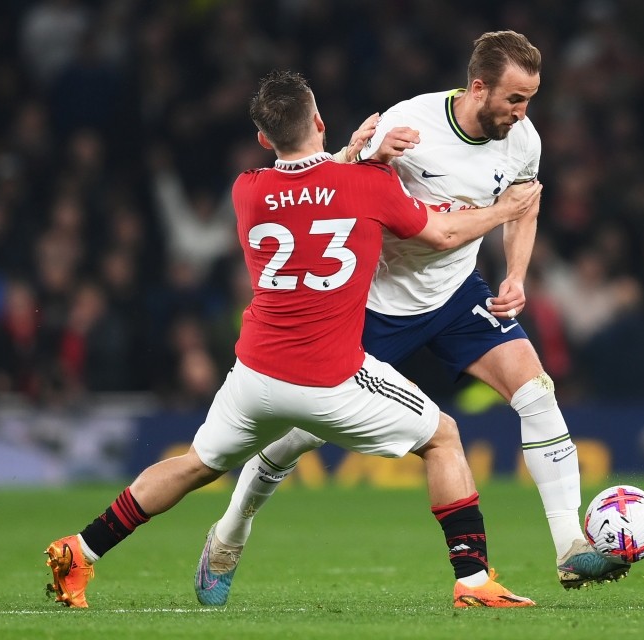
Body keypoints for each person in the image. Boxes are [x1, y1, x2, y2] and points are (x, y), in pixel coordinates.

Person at [44, 70, 541, 609]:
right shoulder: (366, 185)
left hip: (254, 374)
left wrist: (358, 151)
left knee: (195, 465)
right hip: (331, 377)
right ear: (321, 122)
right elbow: (443, 233)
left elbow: (311, 190)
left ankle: (81, 549)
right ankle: (472, 582)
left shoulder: (247, 190)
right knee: (442, 437)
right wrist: (503, 211)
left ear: (263, 139)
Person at [198, 30, 629, 607]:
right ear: (479, 87)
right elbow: (334, 178)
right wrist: (363, 151)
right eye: (515, 99)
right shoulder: (411, 122)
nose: (524, 112)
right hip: (376, 303)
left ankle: (570, 546)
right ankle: (228, 536)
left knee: (536, 389)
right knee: (294, 436)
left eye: (530, 98)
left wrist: (516, 277)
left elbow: (525, 205)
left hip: (455, 294)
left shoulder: (522, 140)